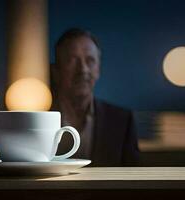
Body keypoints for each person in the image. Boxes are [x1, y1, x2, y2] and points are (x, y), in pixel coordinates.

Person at [50, 28, 139, 166]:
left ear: (98, 69)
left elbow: (135, 177)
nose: (83, 69)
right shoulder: (39, 119)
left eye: (90, 60)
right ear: (56, 70)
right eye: (72, 60)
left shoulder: (121, 121)